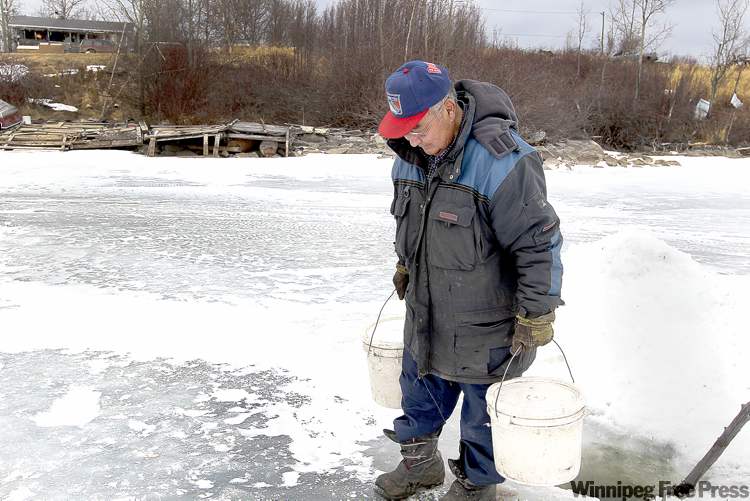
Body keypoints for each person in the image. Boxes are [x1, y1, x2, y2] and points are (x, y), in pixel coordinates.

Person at [374, 60, 564, 500]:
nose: (409, 138)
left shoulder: (505, 161)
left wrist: (537, 311)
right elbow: (412, 223)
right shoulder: (408, 156)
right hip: (427, 309)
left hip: (487, 321)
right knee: (418, 394)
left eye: (417, 127)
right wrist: (406, 263)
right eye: (402, 128)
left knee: (483, 416)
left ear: (447, 109)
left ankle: (479, 486)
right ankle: (420, 467)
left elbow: (539, 243)